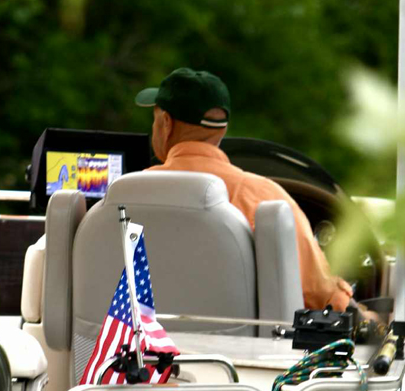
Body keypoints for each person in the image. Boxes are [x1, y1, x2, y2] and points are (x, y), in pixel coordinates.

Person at [135, 67, 355, 313]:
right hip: (233, 351)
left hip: (140, 349)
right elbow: (320, 296)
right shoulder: (265, 197)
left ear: (166, 123)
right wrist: (365, 315)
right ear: (223, 128)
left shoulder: (126, 194)